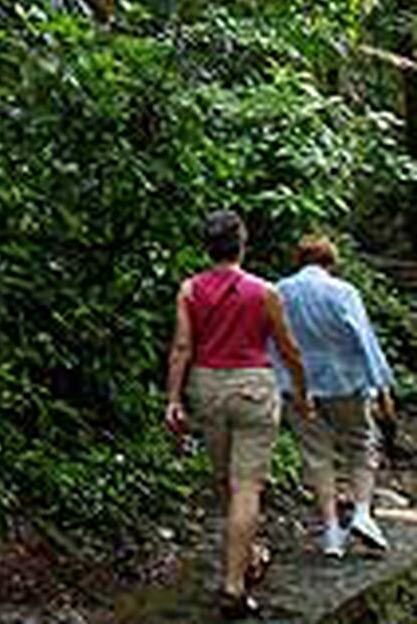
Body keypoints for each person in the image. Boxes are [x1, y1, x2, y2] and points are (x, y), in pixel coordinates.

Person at [165, 210, 311, 620]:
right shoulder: (264, 291)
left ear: (206, 247)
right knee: (247, 486)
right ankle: (233, 585)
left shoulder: (189, 290)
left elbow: (182, 347)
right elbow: (289, 348)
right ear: (242, 245)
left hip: (207, 387)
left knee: (226, 483)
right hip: (253, 388)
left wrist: (173, 398)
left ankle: (248, 556)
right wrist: (303, 393)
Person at [274, 234, 396, 558]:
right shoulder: (343, 292)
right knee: (360, 444)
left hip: (298, 386)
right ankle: (362, 514)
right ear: (331, 262)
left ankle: (331, 532)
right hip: (345, 381)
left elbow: (273, 341)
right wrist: (382, 386)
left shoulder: (279, 291)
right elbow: (365, 340)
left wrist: (279, 381)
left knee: (316, 455)